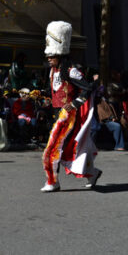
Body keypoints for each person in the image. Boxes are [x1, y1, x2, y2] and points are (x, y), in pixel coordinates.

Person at [40, 20, 102, 192]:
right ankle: (92, 173)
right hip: (56, 115)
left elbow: (88, 88)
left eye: (52, 56)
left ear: (60, 55)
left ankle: (53, 182)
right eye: (48, 56)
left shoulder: (71, 70)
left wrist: (74, 103)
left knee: (52, 150)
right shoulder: (53, 71)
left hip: (69, 117)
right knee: (66, 150)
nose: (49, 58)